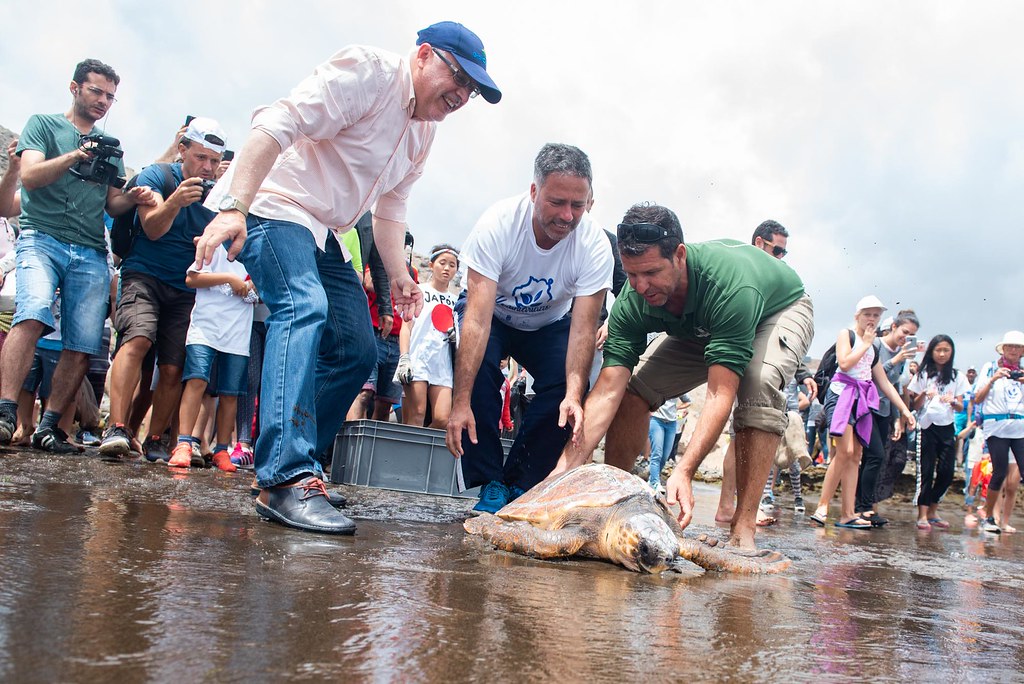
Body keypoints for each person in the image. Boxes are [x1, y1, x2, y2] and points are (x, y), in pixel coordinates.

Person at [194, 22, 501, 535]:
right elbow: (276, 121)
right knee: (302, 307)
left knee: (357, 348)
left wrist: (401, 275)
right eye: (458, 78)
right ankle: (285, 475)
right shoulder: (370, 72)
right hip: (273, 204)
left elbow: (391, 210)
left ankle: (297, 468)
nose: (463, 95)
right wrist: (233, 206)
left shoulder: (423, 132)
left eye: (472, 90)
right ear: (423, 55)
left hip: (324, 231)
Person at [550, 203, 814, 557]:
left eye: (652, 273)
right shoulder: (635, 298)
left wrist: (685, 470)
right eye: (631, 275)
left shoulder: (729, 287)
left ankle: (744, 527)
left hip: (776, 308)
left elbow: (721, 391)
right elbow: (609, 387)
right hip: (702, 324)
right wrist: (564, 470)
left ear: (679, 255)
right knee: (634, 389)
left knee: (758, 384)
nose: (642, 286)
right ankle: (612, 504)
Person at [446, 143, 612, 514]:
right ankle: (489, 480)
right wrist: (459, 402)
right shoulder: (499, 224)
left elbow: (584, 330)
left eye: (578, 205)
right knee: (480, 371)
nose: (567, 216)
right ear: (534, 192)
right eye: (557, 202)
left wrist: (573, 392)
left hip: (548, 323)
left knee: (568, 389)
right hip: (492, 315)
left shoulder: (595, 245)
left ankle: (520, 483)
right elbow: (476, 318)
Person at [0, 59, 154, 452]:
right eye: (97, 92)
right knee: (32, 311)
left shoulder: (112, 147)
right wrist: (76, 155)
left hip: (89, 249)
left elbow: (112, 203)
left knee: (83, 342)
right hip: (42, 237)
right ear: (74, 88)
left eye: (110, 96)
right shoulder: (45, 125)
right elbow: (31, 177)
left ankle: (50, 426)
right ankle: (4, 412)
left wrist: (132, 198)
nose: (104, 101)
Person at [101, 118, 226, 460]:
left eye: (215, 161)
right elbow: (153, 228)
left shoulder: (219, 193)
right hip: (143, 273)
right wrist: (176, 202)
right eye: (202, 158)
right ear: (182, 150)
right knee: (138, 339)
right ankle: (117, 429)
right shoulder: (158, 176)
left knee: (173, 365)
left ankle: (156, 438)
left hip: (185, 286)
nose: (208, 168)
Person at [810, 298, 916, 529]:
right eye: (868, 314)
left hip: (863, 401)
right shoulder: (847, 334)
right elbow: (845, 363)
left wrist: (905, 410)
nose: (872, 319)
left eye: (876, 315)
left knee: (857, 455)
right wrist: (866, 343)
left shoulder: (873, 346)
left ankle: (848, 514)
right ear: (858, 315)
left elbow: (885, 383)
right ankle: (823, 506)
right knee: (845, 450)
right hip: (841, 395)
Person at [167, 243, 256, 472]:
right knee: (196, 381)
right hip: (205, 328)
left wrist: (256, 286)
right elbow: (192, 279)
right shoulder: (214, 245)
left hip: (237, 332)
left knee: (230, 393)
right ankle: (184, 443)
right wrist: (228, 278)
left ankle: (222, 450)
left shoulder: (257, 253)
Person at [854, 309, 920, 524]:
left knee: (874, 459)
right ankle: (862, 507)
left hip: (883, 410)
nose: (905, 338)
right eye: (904, 332)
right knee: (875, 456)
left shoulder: (902, 354)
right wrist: (897, 359)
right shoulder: (877, 345)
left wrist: (896, 418)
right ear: (893, 327)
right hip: (866, 407)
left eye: (911, 335)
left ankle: (865, 506)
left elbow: (892, 386)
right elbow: (874, 376)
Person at [907, 334, 969, 530]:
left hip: (947, 426)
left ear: (951, 353)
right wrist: (925, 393)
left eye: (946, 350)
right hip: (927, 426)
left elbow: (960, 407)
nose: (942, 354)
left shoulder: (957, 376)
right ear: (932, 352)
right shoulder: (923, 374)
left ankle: (933, 509)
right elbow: (914, 405)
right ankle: (923, 514)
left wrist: (951, 401)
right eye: (938, 350)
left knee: (947, 472)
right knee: (925, 471)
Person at [397, 243, 459, 427]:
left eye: (452, 264)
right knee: (416, 414)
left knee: (442, 419)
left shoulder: (457, 301)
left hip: (443, 364)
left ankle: (423, 452)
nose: (447, 268)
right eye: (442, 263)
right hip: (418, 358)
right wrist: (404, 357)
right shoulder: (418, 291)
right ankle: (406, 454)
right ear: (431, 265)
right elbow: (406, 327)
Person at [973, 331, 1024, 534]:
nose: (1013, 350)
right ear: (1003, 349)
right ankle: (989, 516)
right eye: (1009, 346)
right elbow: (977, 398)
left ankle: (1001, 517)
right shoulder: (990, 367)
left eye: (1017, 346)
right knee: (1000, 471)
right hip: (997, 427)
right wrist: (993, 379)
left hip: (1019, 427)